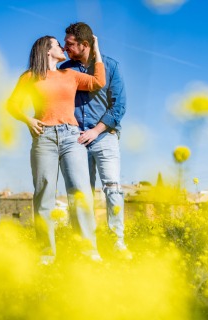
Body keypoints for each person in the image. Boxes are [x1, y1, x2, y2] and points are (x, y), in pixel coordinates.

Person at [7, 35, 106, 264]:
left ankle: (88, 251)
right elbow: (11, 104)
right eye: (57, 45)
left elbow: (97, 81)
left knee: (80, 193)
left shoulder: (69, 75)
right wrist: (28, 120)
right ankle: (46, 254)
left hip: (72, 138)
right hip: (44, 139)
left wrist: (96, 48)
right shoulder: (30, 77)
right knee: (44, 195)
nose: (63, 48)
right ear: (47, 51)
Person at [60, 22, 131, 259]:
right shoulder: (65, 69)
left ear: (85, 44)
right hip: (75, 139)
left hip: (104, 136)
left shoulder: (110, 67)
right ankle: (85, 246)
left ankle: (117, 241)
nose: (65, 47)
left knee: (112, 187)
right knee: (81, 193)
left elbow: (118, 106)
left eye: (70, 44)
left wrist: (96, 130)